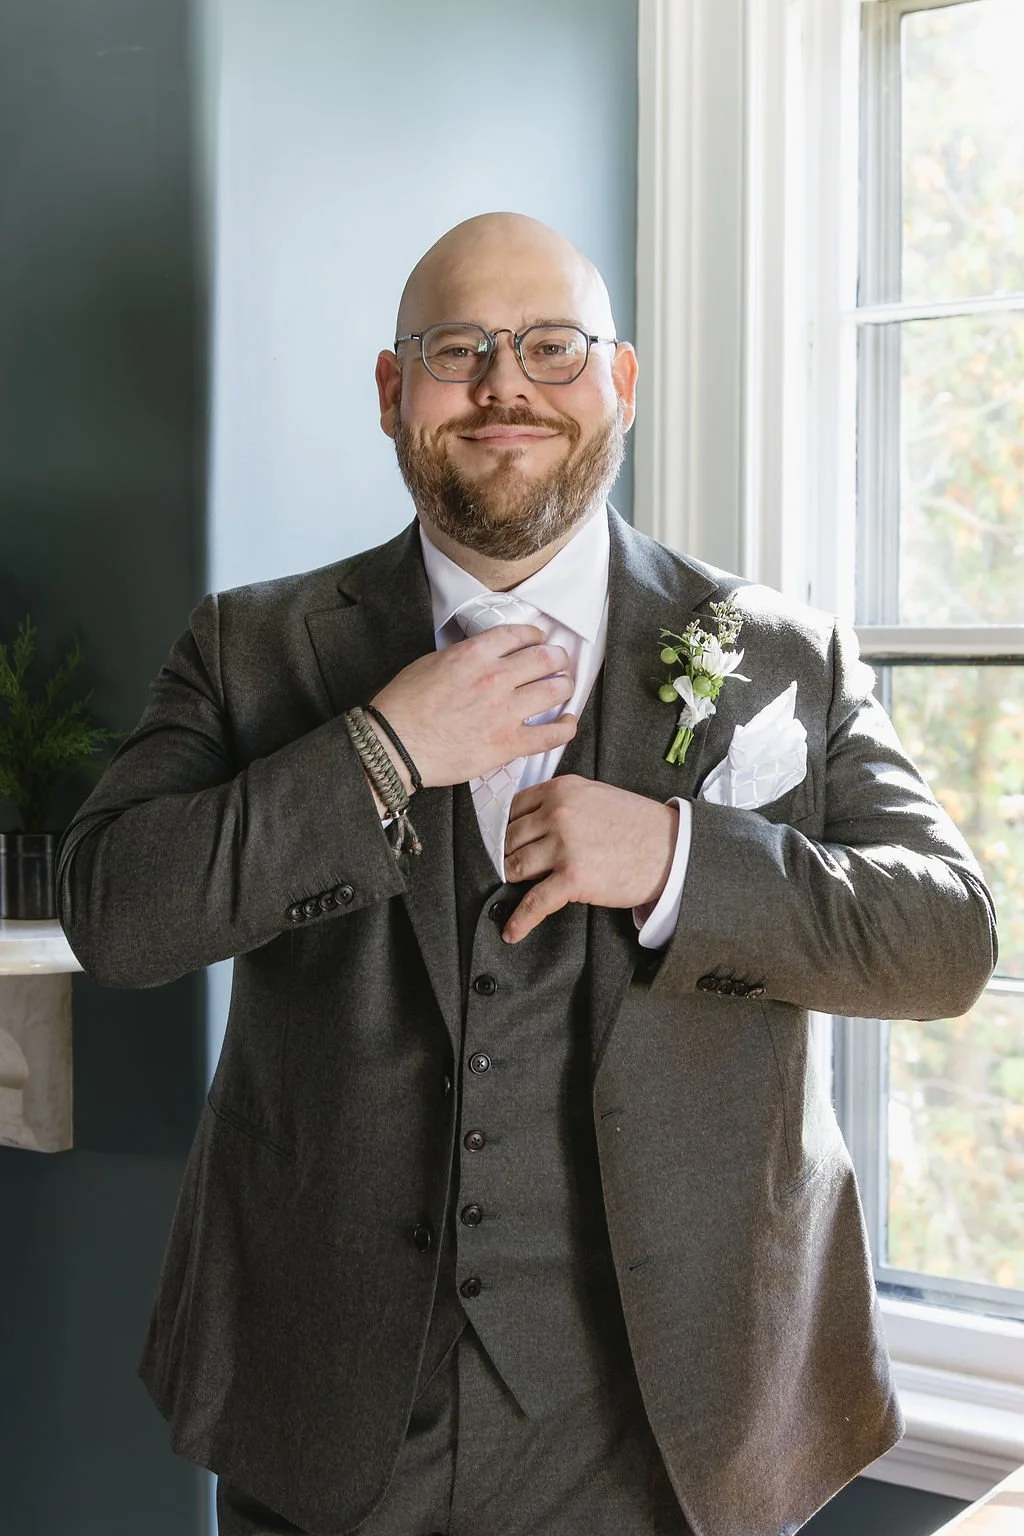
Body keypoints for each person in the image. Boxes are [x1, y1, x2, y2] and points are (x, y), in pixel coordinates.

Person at [56, 212, 997, 1536]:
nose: (507, 386)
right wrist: (380, 750)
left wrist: (681, 859)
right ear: (395, 395)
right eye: (460, 349)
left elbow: (947, 941)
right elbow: (113, 917)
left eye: (553, 347)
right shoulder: (254, 647)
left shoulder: (783, 656)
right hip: (327, 1411)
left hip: (681, 1431)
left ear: (619, 384)